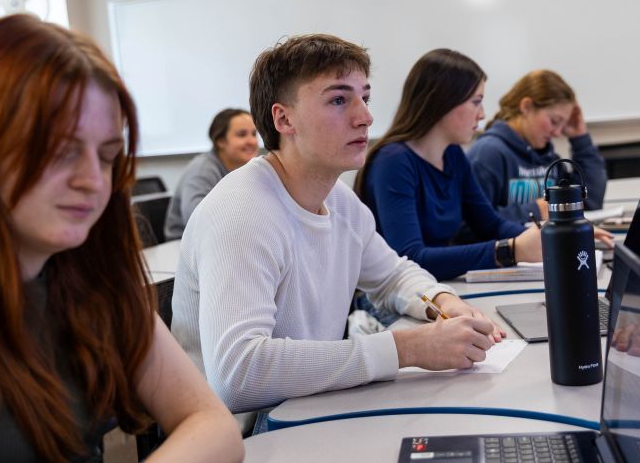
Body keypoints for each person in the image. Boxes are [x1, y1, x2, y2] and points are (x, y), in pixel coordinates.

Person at [0, 15, 243, 462]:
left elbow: (213, 425)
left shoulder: (91, 279)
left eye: (107, 157)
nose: (93, 180)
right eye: (63, 151)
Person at [171, 34, 506, 414]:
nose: (365, 116)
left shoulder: (337, 198)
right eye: (338, 99)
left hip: (306, 406)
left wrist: (444, 303)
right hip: (242, 434)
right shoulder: (241, 211)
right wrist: (408, 349)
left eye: (365, 97)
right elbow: (238, 375)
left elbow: (393, 275)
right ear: (284, 118)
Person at [354, 49, 542, 281]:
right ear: (443, 102)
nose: (482, 115)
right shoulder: (393, 162)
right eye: (476, 102)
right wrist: (510, 250)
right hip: (393, 303)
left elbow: (490, 224)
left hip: (437, 288)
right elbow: (410, 259)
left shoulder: (453, 155)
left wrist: (553, 238)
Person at [466, 69, 607, 223]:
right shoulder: (488, 154)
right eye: (554, 121)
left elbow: (590, 203)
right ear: (526, 106)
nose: (558, 133)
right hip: (509, 246)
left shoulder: (549, 158)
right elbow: (471, 225)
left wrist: (580, 138)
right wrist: (536, 210)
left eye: (563, 125)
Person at [164, 108, 258, 239]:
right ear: (221, 141)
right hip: (183, 245)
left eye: (254, 134)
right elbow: (196, 220)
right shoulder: (202, 169)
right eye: (242, 135)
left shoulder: (248, 170)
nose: (252, 141)